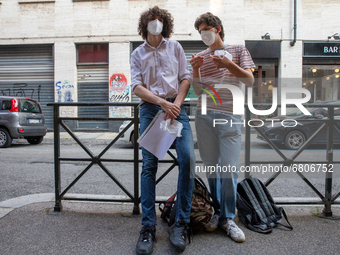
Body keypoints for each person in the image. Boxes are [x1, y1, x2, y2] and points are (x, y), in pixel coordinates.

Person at [130, 6, 195, 255]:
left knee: (187, 159)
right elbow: (136, 86)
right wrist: (162, 103)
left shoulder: (175, 47)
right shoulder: (138, 53)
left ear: (164, 23)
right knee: (149, 165)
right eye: (151, 20)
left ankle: (181, 224)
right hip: (151, 110)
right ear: (145, 25)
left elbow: (186, 77)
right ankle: (148, 228)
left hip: (177, 109)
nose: (156, 23)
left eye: (159, 20)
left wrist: (175, 105)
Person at [190, 12, 255, 243]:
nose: (203, 34)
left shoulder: (238, 50)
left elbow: (249, 80)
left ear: (217, 28)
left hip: (230, 115)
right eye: (200, 31)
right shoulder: (201, 56)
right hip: (204, 115)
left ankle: (228, 218)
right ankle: (217, 213)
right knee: (212, 168)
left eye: (206, 28)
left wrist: (228, 64)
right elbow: (198, 91)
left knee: (228, 168)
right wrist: (196, 69)